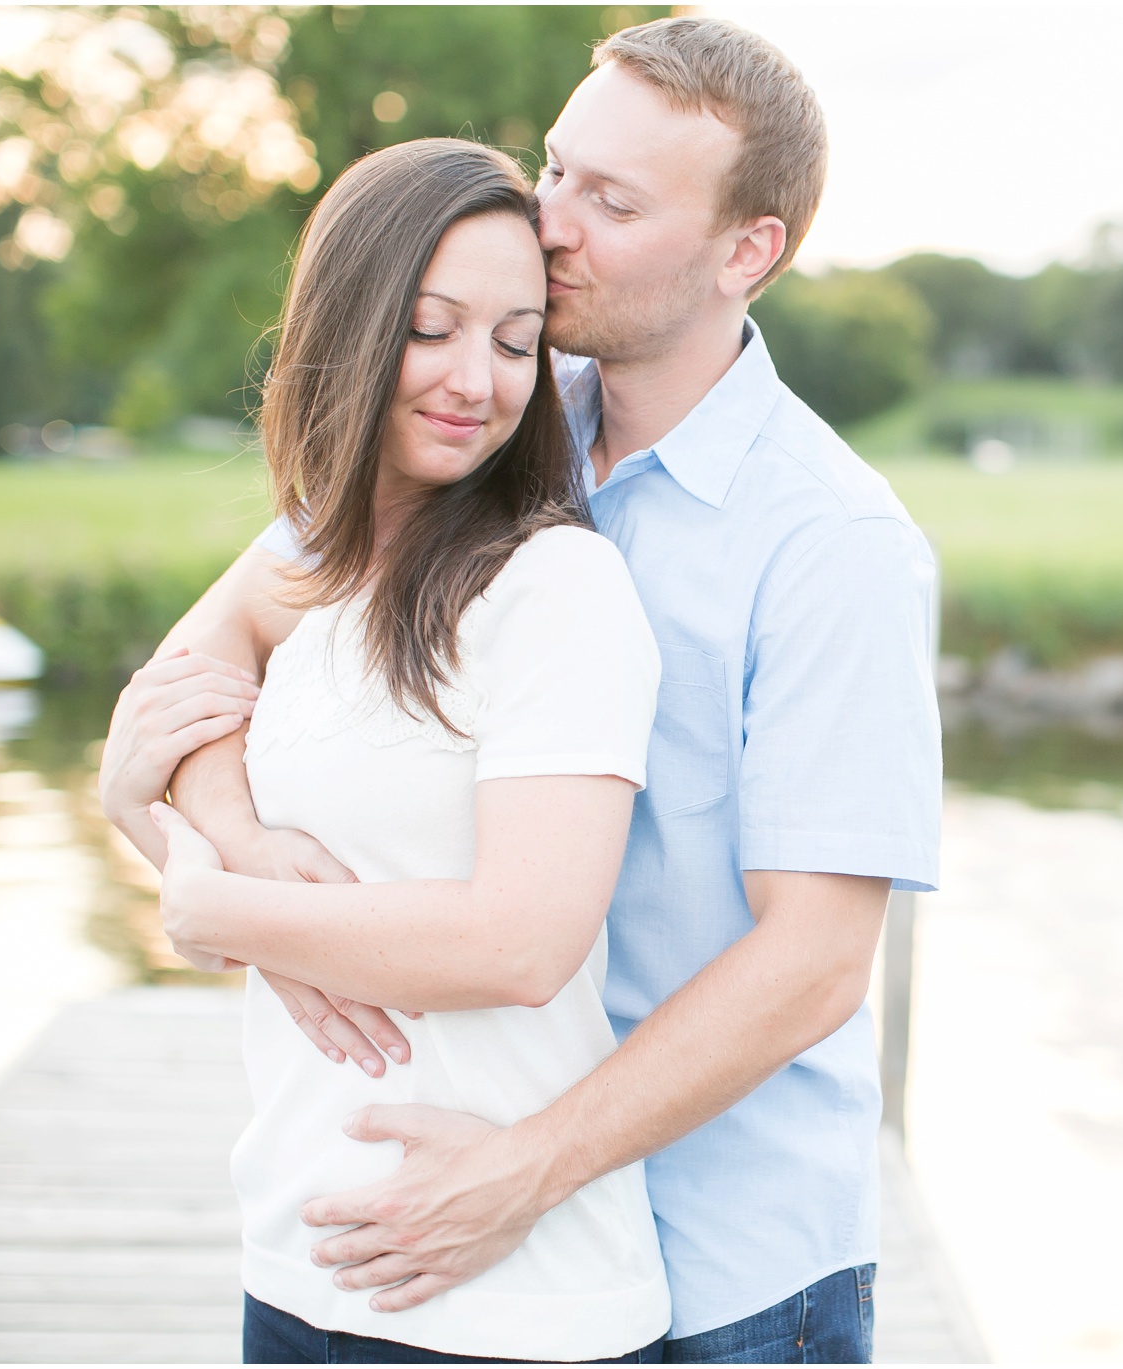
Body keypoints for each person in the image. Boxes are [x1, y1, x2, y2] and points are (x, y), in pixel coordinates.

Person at [99, 17, 942, 1365]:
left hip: (726, 1264)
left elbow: (817, 963)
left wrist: (527, 1170)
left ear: (748, 252)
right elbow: (211, 657)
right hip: (462, 1228)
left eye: (610, 201)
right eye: (557, 170)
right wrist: (254, 870)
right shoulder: (490, 405)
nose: (549, 225)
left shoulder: (832, 544)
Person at [134, 136, 672, 1362]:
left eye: (515, 338)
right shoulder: (310, 565)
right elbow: (161, 710)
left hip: (513, 1307)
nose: (475, 379)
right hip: (296, 1268)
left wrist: (220, 909)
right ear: (350, 323)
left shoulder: (556, 588)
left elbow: (523, 942)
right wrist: (242, 846)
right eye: (432, 327)